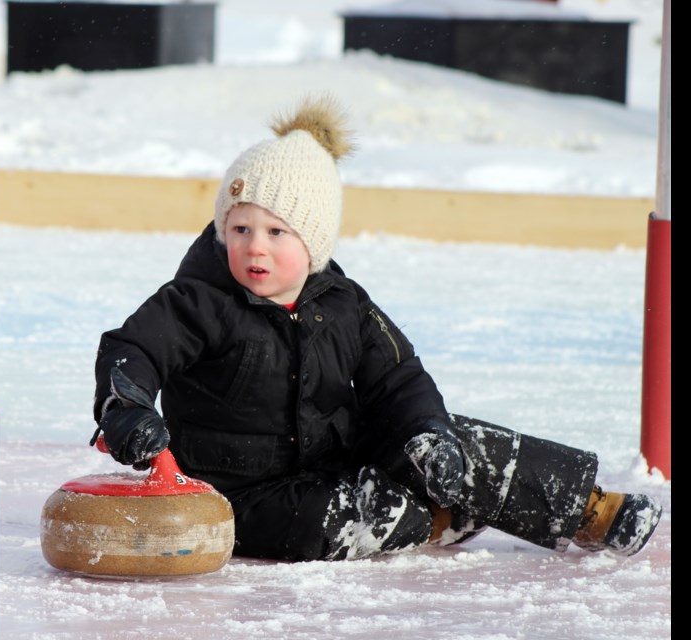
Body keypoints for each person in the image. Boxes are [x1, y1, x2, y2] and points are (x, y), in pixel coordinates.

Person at [91, 96, 662, 561]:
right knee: (335, 518)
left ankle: (592, 508)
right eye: (239, 228)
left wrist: (427, 431)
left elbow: (398, 377)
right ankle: (427, 517)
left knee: (458, 446)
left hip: (337, 451)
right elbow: (134, 349)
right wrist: (127, 406)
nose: (253, 247)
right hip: (240, 489)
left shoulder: (345, 304)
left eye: (275, 232)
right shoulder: (198, 301)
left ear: (314, 242)